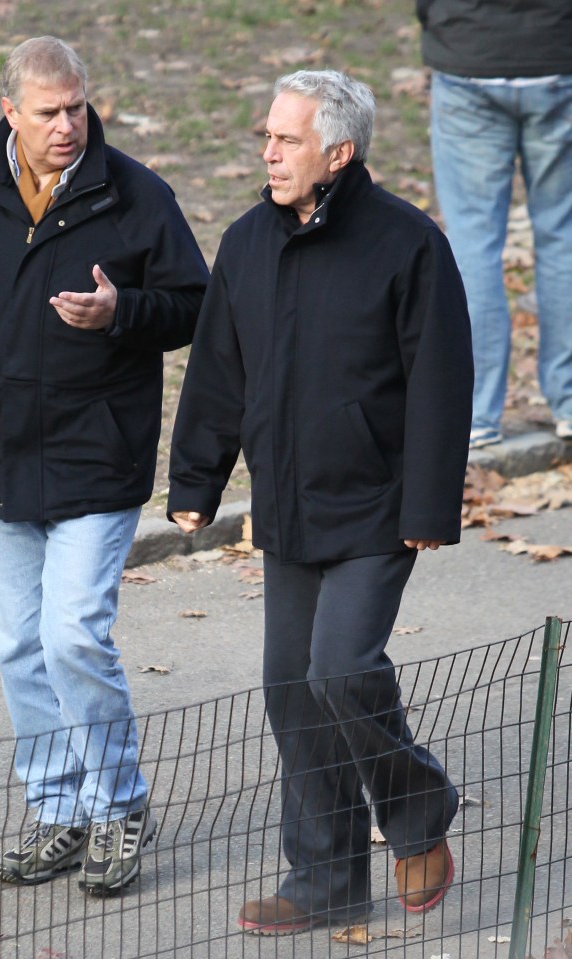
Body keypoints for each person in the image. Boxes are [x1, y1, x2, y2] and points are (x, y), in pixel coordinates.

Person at [167, 70, 473, 934]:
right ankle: (327, 877)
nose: (267, 151)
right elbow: (218, 371)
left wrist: (427, 505)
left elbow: (440, 384)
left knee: (339, 669)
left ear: (337, 151)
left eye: (286, 138)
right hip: (289, 508)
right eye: (266, 135)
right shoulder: (245, 243)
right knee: (289, 690)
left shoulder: (408, 244)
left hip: (378, 506)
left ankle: (417, 812)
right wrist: (197, 479)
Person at [0, 36, 208, 895]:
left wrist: (124, 310)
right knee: (18, 645)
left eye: (78, 106)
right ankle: (57, 810)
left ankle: (117, 807)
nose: (68, 125)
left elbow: (194, 303)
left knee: (73, 633)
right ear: (10, 111)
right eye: (48, 112)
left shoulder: (135, 194)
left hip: (97, 455)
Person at [418, 0, 572, 449]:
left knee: (471, 243)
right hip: (558, 51)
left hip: (469, 50)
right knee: (564, 234)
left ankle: (477, 412)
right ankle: (568, 400)